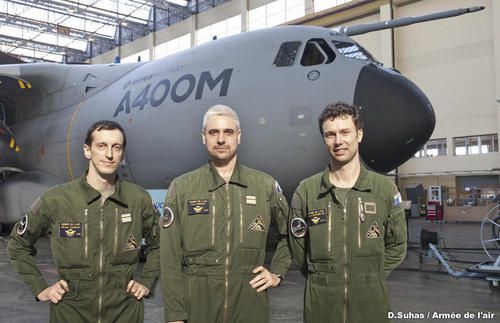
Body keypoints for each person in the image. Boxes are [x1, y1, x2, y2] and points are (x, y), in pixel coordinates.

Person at [8, 120, 160, 323]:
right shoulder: (56, 199)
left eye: (117, 147)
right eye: (101, 146)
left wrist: (147, 281)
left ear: (122, 154)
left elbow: (161, 245)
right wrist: (41, 288)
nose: (109, 154)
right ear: (87, 151)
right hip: (71, 312)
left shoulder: (138, 199)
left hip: (124, 312)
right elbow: (17, 244)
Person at [160, 104, 290, 323]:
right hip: (198, 305)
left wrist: (276, 272)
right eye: (213, 132)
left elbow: (293, 233)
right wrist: (174, 314)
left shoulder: (264, 186)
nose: (221, 139)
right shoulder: (182, 187)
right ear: (204, 137)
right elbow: (169, 256)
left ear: (238, 136)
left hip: (250, 304)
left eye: (228, 132)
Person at [288, 102, 407, 323]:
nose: (338, 141)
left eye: (345, 132)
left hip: (370, 306)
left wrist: (370, 275)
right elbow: (298, 250)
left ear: (359, 134)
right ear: (324, 139)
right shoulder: (307, 191)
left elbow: (398, 245)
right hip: (321, 307)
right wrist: (325, 277)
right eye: (330, 135)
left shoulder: (384, 190)